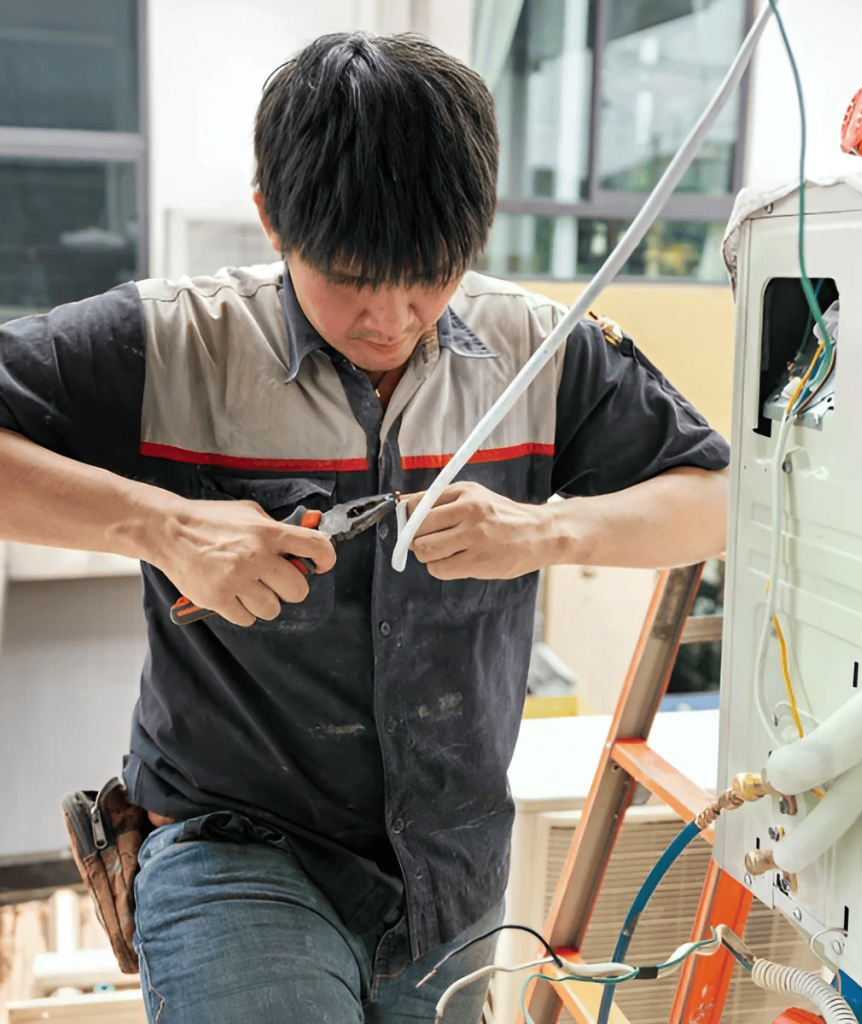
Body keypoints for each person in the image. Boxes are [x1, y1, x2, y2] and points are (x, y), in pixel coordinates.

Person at [0, 31, 730, 1024]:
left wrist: (541, 534)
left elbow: (717, 500)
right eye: (350, 274)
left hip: (453, 875)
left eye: (431, 272)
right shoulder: (173, 345)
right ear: (271, 218)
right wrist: (162, 525)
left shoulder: (538, 350)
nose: (392, 315)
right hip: (236, 845)